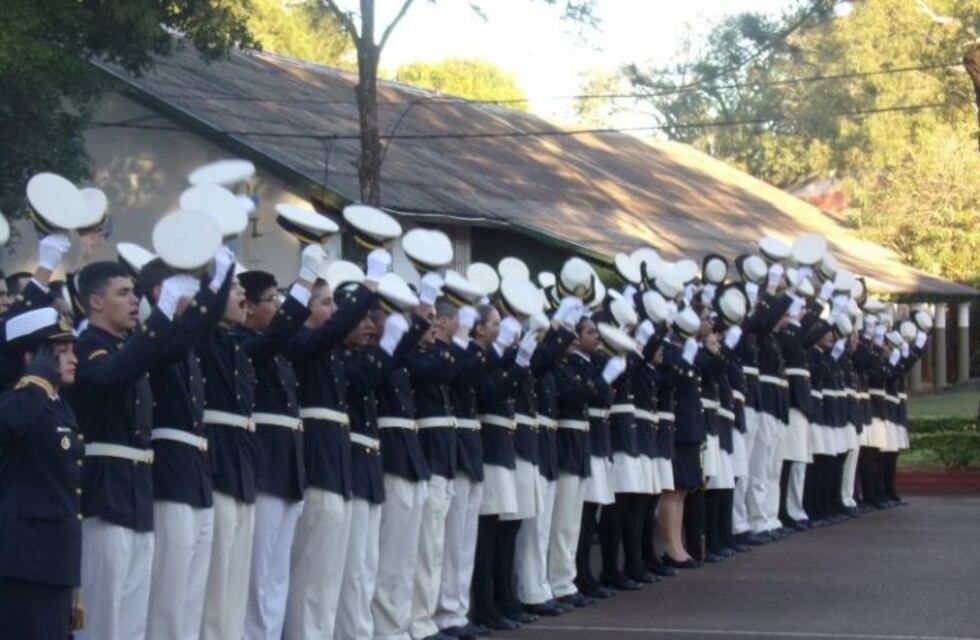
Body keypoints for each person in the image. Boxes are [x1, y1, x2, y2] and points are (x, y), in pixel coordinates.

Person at [70, 261, 198, 640]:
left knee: (132, 618)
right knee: (102, 614)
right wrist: (161, 313)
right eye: (122, 293)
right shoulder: (87, 346)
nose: (132, 301)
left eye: (134, 293)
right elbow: (113, 374)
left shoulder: (127, 348)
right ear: (96, 302)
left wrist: (213, 288)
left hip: (137, 490)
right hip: (105, 489)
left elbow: (176, 344)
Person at [144, 252, 235, 640]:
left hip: (196, 471)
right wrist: (219, 282)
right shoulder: (154, 338)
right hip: (172, 471)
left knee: (192, 588)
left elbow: (202, 320)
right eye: (189, 290)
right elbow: (198, 322)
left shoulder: (187, 342)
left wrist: (224, 274)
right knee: (170, 586)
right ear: (160, 292)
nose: (199, 301)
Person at [283, 276, 378, 639]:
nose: (335, 311)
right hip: (319, 463)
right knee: (312, 568)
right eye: (326, 303)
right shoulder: (301, 341)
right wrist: (367, 290)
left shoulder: (330, 351)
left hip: (337, 465)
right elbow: (332, 331)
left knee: (331, 570)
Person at [0, 308, 82, 640]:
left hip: (56, 557)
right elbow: (8, 426)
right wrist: (34, 383)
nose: (73, 359)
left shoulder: (58, 405)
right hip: (26, 560)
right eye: (61, 351)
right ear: (30, 358)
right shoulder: (16, 400)